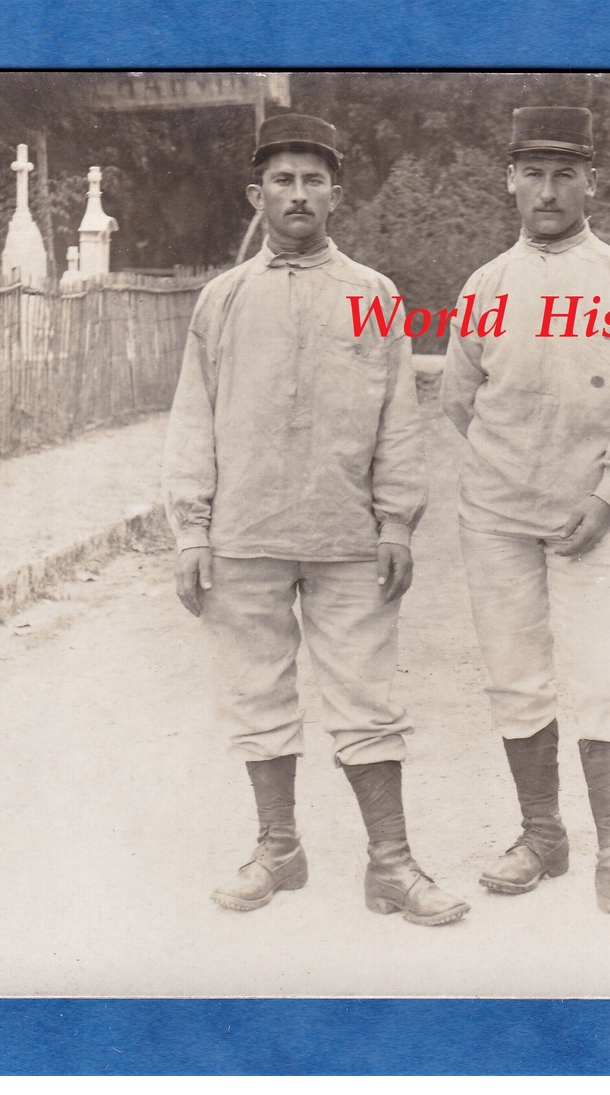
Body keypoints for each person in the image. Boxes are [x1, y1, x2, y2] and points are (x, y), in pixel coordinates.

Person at [163, 113, 467, 927]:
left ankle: (391, 863)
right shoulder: (222, 300)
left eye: (313, 180)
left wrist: (397, 521)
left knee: (368, 702)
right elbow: (193, 418)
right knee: (257, 695)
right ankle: (277, 849)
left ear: (337, 194)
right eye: (282, 180)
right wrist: (191, 529)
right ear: (255, 194)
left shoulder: (372, 296)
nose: (297, 195)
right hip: (244, 535)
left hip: (346, 538)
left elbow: (398, 417)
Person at [442, 106, 610, 933]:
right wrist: (514, 476)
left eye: (564, 174)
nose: (547, 191)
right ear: (509, 180)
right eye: (532, 173)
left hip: (593, 521)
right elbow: (460, 398)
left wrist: (605, 496)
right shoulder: (485, 286)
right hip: (497, 518)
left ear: (590, 184)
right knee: (515, 675)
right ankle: (543, 834)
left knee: (604, 675)